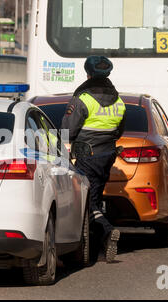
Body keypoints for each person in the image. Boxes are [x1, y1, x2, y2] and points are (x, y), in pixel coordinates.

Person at [61, 56, 126, 263]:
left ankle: (106, 231)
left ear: (88, 74)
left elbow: (67, 131)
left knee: (86, 200)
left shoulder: (83, 99)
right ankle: (99, 248)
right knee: (95, 197)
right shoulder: (118, 100)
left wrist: (61, 150)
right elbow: (118, 131)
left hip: (87, 155)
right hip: (107, 155)